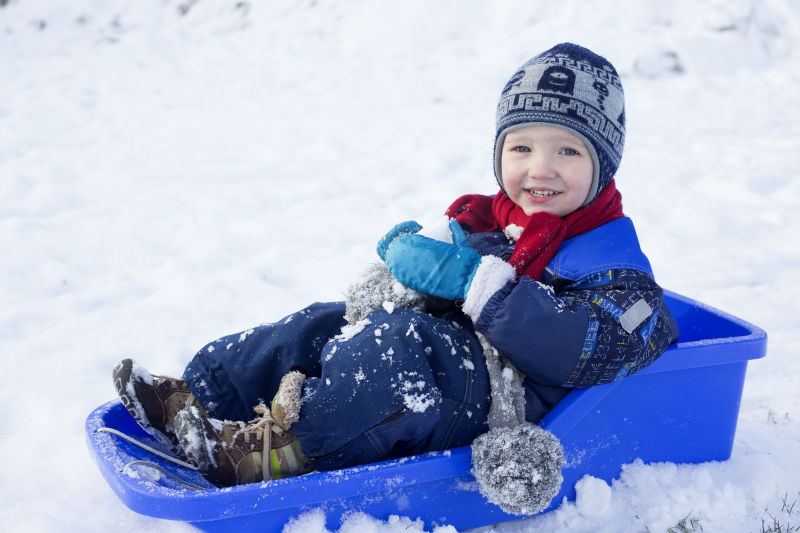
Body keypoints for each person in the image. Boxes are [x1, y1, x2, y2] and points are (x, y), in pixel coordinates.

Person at [112, 42, 679, 488]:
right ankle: (202, 396)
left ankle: (276, 455)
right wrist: (408, 270)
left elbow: (578, 347)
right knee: (329, 322)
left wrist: (475, 283)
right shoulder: (491, 222)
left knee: (394, 355)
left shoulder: (618, 275)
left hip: (502, 397)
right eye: (522, 148)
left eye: (568, 151)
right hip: (448, 351)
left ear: (603, 166)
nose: (541, 170)